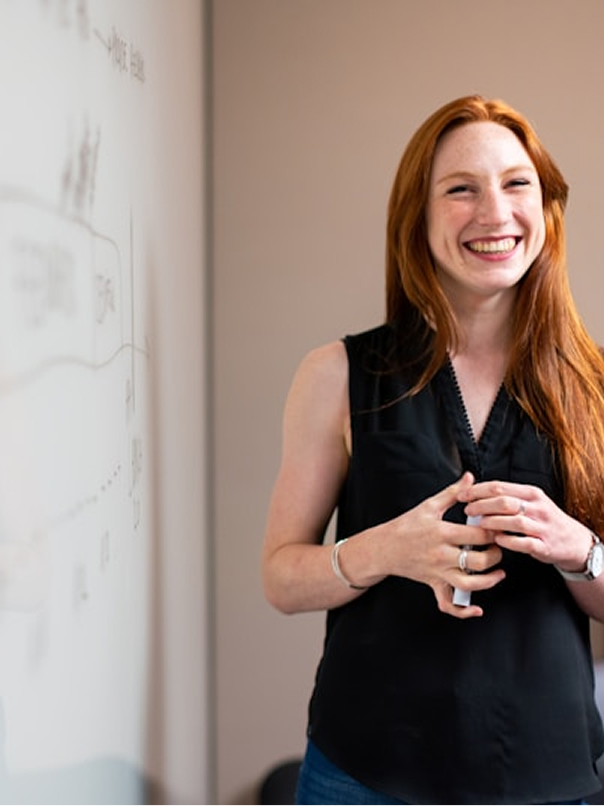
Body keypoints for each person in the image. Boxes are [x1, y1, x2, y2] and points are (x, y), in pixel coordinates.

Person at [261, 94, 604, 805]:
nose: (494, 212)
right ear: (416, 216)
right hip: (364, 778)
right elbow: (281, 578)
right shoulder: (337, 375)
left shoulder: (596, 385)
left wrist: (580, 550)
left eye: (516, 184)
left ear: (547, 208)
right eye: (460, 190)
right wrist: (384, 550)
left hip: (551, 781)